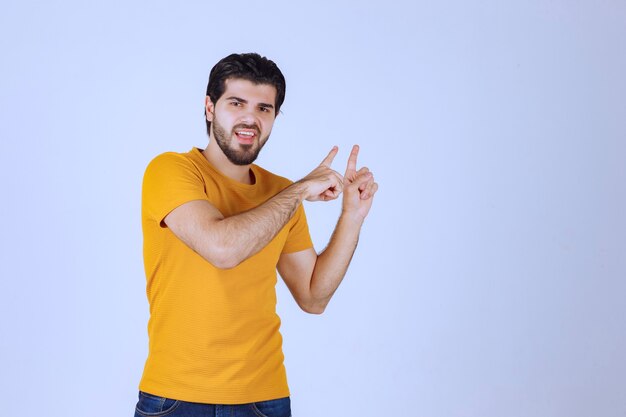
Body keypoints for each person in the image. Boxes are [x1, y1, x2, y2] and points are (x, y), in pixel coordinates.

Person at [134, 52, 378, 417]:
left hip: (264, 400)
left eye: (265, 109)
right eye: (237, 103)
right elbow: (222, 249)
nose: (251, 118)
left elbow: (314, 296)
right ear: (209, 107)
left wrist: (352, 216)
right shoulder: (170, 170)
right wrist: (297, 191)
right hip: (175, 398)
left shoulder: (278, 192)